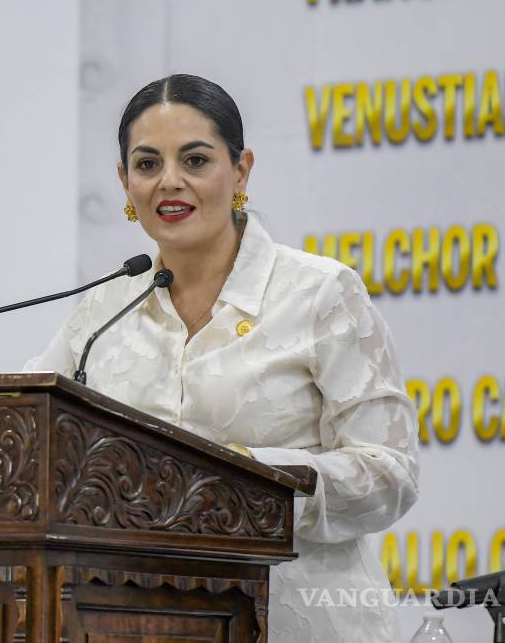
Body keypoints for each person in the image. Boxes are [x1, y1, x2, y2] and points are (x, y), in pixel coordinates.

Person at [25, 74, 420, 642]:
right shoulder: (103, 311)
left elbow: (390, 474)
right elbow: (26, 432)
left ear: (241, 171)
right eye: (147, 164)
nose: (170, 181)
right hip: (137, 623)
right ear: (124, 182)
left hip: (298, 622)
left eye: (195, 160)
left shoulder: (320, 293)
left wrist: (246, 475)